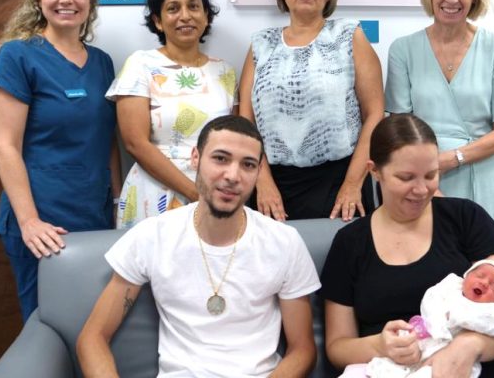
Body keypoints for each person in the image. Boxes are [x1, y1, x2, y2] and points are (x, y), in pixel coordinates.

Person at [77, 115, 321, 377]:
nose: (232, 175)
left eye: (248, 165)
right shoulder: (153, 236)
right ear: (196, 158)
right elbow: (92, 338)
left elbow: (303, 350)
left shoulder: (284, 242)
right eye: (220, 158)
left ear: (258, 172)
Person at [321, 114, 494, 378]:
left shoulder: (466, 218)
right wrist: (380, 346)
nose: (421, 190)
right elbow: (338, 347)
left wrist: (469, 345)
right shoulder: (350, 244)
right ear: (374, 171)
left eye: (431, 175)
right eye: (406, 178)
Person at [0, 0, 121, 322]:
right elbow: (6, 146)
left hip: (94, 218)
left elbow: (107, 140)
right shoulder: (18, 56)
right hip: (42, 222)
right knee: (47, 328)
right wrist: (30, 222)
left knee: (93, 327)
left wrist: (116, 204)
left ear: (90, 2)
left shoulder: (102, 62)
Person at [384, 0, 494, 239]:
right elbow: (398, 127)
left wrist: (451, 159)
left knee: (487, 273)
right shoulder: (403, 49)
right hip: (421, 183)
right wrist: (429, 179)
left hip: (481, 180)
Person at [239, 0, 384, 222]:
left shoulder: (348, 35)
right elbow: (246, 121)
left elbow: (375, 114)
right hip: (274, 185)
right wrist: (262, 181)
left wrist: (354, 183)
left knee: (341, 263)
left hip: (340, 180)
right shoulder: (261, 44)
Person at [106, 0, 239, 229]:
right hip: (155, 192)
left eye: (193, 6)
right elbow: (135, 143)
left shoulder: (225, 71)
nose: (185, 16)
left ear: (206, 16)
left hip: (217, 190)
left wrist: (217, 194)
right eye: (173, 8)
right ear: (157, 20)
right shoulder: (141, 64)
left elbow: (234, 140)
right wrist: (195, 194)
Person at [344, 259, 494, 378]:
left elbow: (493, 326)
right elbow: (430, 299)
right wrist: (436, 321)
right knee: (372, 368)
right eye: (479, 276)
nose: (485, 283)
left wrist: (455, 320)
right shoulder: (450, 286)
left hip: (454, 361)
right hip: (421, 341)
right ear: (466, 276)